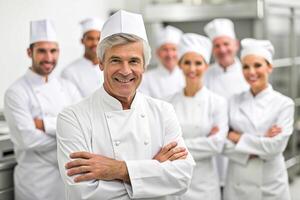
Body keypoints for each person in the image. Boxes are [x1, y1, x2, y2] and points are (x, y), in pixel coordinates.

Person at [56, 10, 195, 200]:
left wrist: (119, 170)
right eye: (115, 60)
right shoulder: (73, 117)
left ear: (144, 65)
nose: (125, 70)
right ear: (101, 63)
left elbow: (182, 178)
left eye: (134, 61)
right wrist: (153, 170)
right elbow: (83, 192)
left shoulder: (163, 111)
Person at [4, 19, 81, 200]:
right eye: (42, 51)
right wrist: (70, 137)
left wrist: (43, 124)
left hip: (66, 181)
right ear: (29, 52)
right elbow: (27, 140)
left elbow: (84, 126)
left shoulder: (68, 87)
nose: (48, 57)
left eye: (53, 51)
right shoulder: (15, 92)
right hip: (35, 184)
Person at [223, 38, 294, 200]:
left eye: (257, 65)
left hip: (270, 185)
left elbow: (275, 147)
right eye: (246, 67)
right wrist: (262, 141)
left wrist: (238, 137)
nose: (251, 72)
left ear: (269, 67)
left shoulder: (284, 104)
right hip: (238, 185)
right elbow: (222, 144)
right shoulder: (233, 101)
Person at [169, 33, 228, 200]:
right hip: (174, 181)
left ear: (206, 66)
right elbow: (159, 143)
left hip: (205, 183)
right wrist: (205, 141)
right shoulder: (168, 102)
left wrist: (174, 148)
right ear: (180, 65)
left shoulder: (217, 103)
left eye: (198, 63)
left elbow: (216, 145)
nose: (192, 68)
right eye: (187, 62)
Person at [204, 18, 249, 188]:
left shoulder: (248, 72)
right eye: (217, 45)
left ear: (236, 44)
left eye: (226, 44)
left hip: (241, 142)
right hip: (213, 143)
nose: (222, 50)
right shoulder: (205, 74)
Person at [62, 17, 104, 97]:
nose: (95, 43)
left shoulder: (110, 67)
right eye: (90, 39)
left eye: (98, 39)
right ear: (82, 41)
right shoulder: (69, 72)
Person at [139, 25, 185, 99]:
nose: (170, 54)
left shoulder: (187, 76)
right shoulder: (145, 79)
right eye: (165, 49)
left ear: (180, 52)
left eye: (173, 49)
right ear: (157, 52)